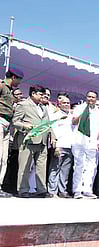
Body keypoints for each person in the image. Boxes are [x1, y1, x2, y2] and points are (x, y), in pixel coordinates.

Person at [12, 85, 51, 197]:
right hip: (28, 140)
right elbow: (15, 121)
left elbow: (48, 123)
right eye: (40, 95)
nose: (42, 97)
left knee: (41, 166)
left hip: (42, 140)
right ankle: (23, 190)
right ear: (33, 93)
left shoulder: (43, 107)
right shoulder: (23, 105)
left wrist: (52, 136)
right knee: (25, 165)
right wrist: (25, 126)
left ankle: (41, 189)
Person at [71, 91, 99, 199]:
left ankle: (87, 189)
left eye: (93, 97)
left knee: (91, 166)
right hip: (79, 141)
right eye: (89, 96)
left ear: (96, 99)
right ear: (86, 97)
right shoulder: (79, 108)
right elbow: (74, 122)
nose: (91, 99)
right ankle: (77, 190)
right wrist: (83, 114)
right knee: (79, 165)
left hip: (92, 142)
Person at [0, 67, 24, 197]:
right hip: (0, 120)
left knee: (4, 158)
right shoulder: (2, 86)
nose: (19, 83)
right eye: (19, 80)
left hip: (7, 124)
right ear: (14, 77)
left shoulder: (10, 91)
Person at [47, 96, 74, 198]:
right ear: (59, 104)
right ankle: (52, 191)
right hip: (60, 145)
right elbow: (53, 130)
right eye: (64, 103)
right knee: (55, 169)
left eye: (68, 103)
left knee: (65, 171)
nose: (67, 105)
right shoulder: (56, 115)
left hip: (70, 146)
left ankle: (62, 191)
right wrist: (56, 146)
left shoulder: (72, 116)